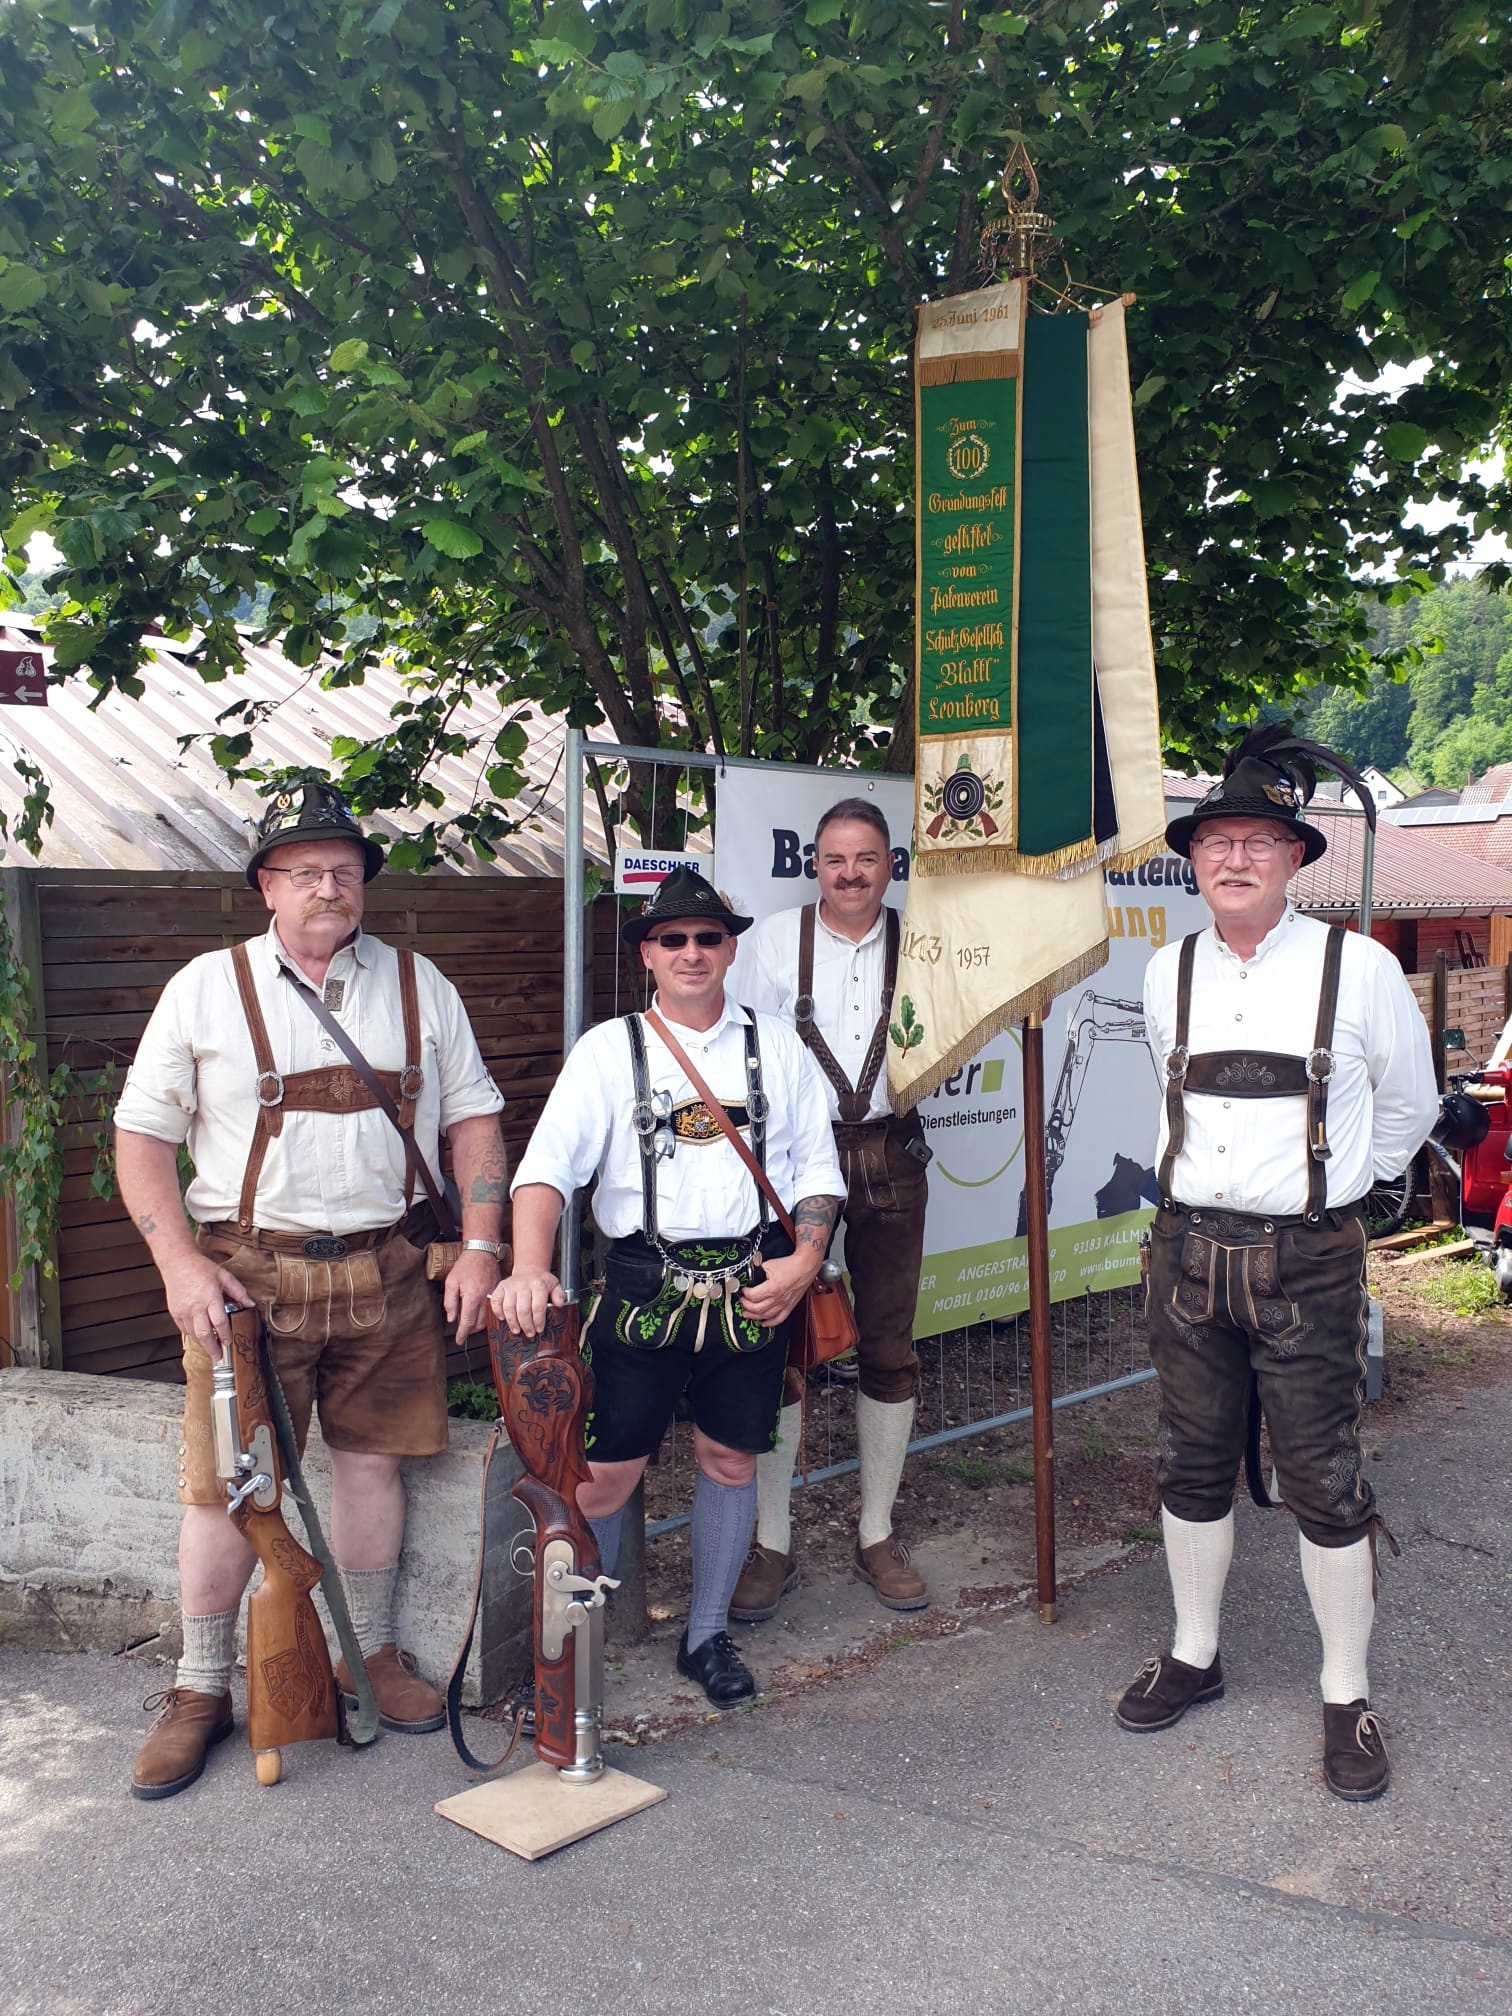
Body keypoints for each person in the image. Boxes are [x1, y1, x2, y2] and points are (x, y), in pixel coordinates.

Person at [115, 783, 508, 1800]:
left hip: (387, 1271)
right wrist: (178, 1264)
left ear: (362, 885)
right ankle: (200, 1689)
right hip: (244, 1282)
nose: (329, 885)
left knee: (373, 1468)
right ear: (267, 887)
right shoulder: (205, 989)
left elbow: (472, 1124)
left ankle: (367, 1654)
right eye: (305, 870)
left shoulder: (424, 990)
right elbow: (141, 1139)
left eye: (344, 869)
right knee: (226, 1491)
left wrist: (478, 1245)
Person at [1118, 726, 1438, 1801]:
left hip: (1307, 1260)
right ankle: (1195, 1656)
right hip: (1187, 1252)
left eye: (1259, 841)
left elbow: (1409, 1106)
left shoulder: (1363, 969)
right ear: (1194, 860)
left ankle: (1346, 1692)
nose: (1236, 859)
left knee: (1321, 1479)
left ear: (1297, 859)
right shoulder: (1167, 974)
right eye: (1217, 841)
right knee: (1188, 1463)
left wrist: (1350, 1193)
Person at [491, 866, 844, 1708]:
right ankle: (572, 1655)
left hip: (756, 1286)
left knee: (730, 1462)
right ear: (648, 953)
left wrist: (804, 1262)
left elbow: (816, 1169)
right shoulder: (608, 1051)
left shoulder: (777, 1046)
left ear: (730, 948)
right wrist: (530, 1265)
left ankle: (707, 1635)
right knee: (603, 1478)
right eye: (673, 938)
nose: (692, 952)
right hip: (643, 1289)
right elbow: (545, 1172)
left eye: (709, 937)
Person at [733, 798, 931, 1616]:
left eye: (867, 859)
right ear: (814, 864)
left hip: (891, 1151)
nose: (851, 874)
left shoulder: (927, 945)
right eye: (835, 859)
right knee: (777, 1347)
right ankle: (770, 1542)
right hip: (789, 1164)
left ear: (891, 865)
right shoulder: (774, 942)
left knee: (888, 1344)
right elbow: (735, 1039)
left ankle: (876, 1532)